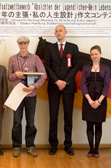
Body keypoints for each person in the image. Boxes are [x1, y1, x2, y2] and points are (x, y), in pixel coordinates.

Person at [8, 36, 47, 157]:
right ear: (18, 44)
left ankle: (30, 146)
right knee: (16, 122)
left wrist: (34, 86)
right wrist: (16, 74)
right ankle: (16, 146)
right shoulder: (12, 59)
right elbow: (9, 77)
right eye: (20, 43)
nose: (23, 45)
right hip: (17, 95)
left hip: (31, 94)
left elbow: (43, 75)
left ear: (28, 44)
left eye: (25, 43)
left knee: (30, 122)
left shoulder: (35, 58)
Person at [44, 24, 79, 155]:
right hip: (54, 86)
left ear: (65, 32)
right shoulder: (49, 48)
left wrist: (65, 81)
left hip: (68, 87)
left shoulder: (73, 47)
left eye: (60, 31)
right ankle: (53, 144)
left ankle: (68, 144)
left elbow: (75, 66)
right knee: (53, 117)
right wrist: (57, 81)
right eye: (56, 31)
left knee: (68, 117)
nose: (58, 33)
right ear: (55, 34)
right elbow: (47, 66)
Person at [81, 45, 110, 158]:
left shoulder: (106, 68)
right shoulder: (85, 67)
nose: (94, 56)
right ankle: (91, 149)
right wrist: (89, 100)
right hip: (88, 99)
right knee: (89, 125)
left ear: (100, 54)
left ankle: (96, 150)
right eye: (92, 54)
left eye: (96, 54)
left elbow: (107, 86)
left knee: (98, 126)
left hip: (101, 100)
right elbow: (83, 84)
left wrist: (99, 101)